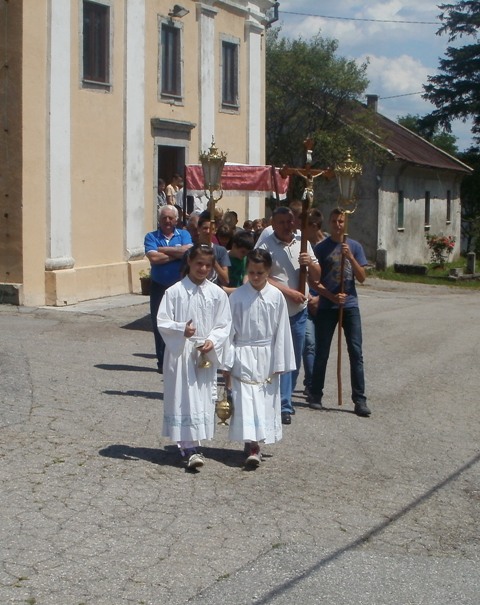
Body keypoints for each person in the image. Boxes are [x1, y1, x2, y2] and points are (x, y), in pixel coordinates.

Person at [157, 244, 232, 470]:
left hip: (204, 353)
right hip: (181, 353)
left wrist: (213, 340)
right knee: (183, 397)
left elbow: (224, 323)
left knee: (200, 398)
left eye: (208, 265)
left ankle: (194, 443)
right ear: (189, 262)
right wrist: (181, 329)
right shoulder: (174, 292)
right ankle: (187, 447)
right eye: (199, 263)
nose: (203, 268)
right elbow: (162, 321)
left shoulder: (217, 293)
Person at [225, 249, 296, 467]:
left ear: (268, 272)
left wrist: (280, 362)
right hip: (243, 353)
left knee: (263, 401)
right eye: (252, 272)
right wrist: (227, 363)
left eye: (260, 273)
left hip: (266, 355)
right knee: (246, 400)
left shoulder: (276, 297)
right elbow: (228, 331)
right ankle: (251, 444)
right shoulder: (237, 297)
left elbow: (282, 331)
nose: (256, 277)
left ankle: (256, 442)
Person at [257, 206, 320, 425]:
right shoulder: (266, 246)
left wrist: (309, 262)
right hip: (275, 312)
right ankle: (279, 402)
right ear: (273, 224)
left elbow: (317, 274)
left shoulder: (303, 243)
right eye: (282, 222)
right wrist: (288, 292)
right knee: (275, 357)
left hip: (299, 312)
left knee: (293, 356)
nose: (287, 226)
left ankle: (286, 400)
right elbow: (261, 275)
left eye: (290, 221)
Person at [309, 208, 371, 417]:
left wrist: (350, 257)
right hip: (328, 306)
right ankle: (315, 393)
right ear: (329, 223)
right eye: (334, 221)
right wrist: (331, 296)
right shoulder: (321, 248)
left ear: (346, 223)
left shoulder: (354, 246)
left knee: (355, 351)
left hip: (350, 305)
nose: (337, 225)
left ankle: (359, 399)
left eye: (341, 221)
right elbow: (314, 282)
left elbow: (362, 277)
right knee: (322, 351)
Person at [144, 206, 193, 373]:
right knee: (159, 322)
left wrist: (162, 249)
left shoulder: (184, 234)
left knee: (180, 321)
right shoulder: (151, 236)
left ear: (176, 220)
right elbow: (153, 258)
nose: (167, 221)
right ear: (159, 219)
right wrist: (176, 253)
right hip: (159, 286)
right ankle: (162, 361)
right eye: (164, 217)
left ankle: (179, 358)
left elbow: (188, 252)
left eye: (170, 218)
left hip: (179, 286)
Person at [302, 208, 327, 398]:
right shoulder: (303, 244)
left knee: (319, 345)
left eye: (305, 227)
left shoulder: (327, 246)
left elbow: (333, 278)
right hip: (305, 299)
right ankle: (310, 383)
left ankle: (315, 383)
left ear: (314, 226)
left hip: (324, 301)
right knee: (308, 343)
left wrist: (321, 297)